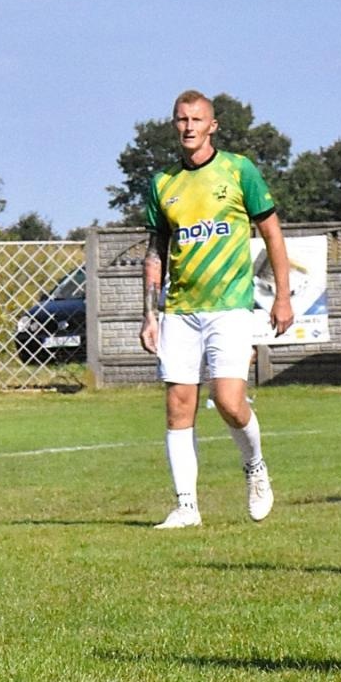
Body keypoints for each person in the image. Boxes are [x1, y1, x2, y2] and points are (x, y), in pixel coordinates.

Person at [139, 89, 292, 529]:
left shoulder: (238, 170)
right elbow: (155, 252)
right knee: (178, 404)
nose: (188, 126)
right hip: (180, 309)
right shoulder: (162, 183)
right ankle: (187, 506)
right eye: (181, 119)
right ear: (174, 125)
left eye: (196, 119)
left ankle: (256, 466)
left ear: (213, 126)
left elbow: (272, 235)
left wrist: (282, 296)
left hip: (230, 307)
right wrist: (150, 313)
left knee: (227, 401)